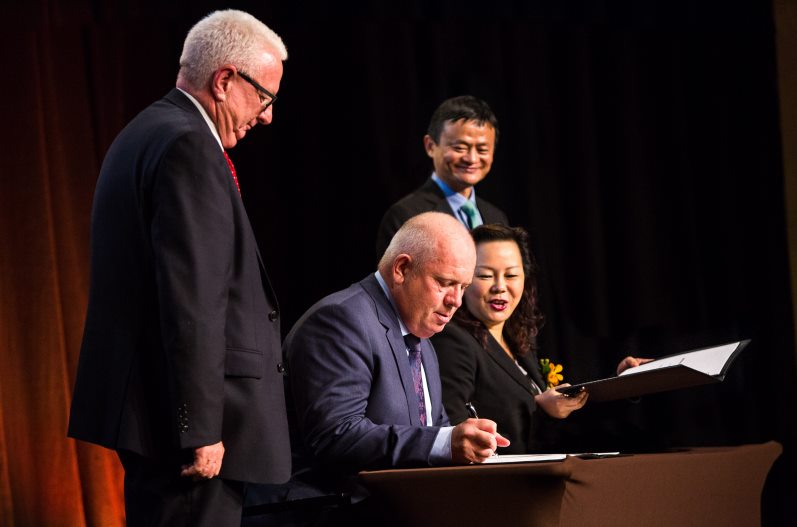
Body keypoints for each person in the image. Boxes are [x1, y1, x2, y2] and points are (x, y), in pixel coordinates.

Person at [67, 10, 290, 526]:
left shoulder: (146, 130)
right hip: (184, 428)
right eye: (265, 97)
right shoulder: (189, 145)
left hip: (152, 411)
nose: (267, 115)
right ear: (225, 80)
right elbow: (193, 300)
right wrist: (201, 428)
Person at [285, 212, 509, 509]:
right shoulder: (341, 320)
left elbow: (432, 430)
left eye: (463, 287)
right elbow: (336, 436)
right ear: (401, 269)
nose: (456, 300)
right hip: (337, 512)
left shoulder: (421, 340)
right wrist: (445, 443)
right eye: (444, 282)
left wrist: (467, 444)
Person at [432, 224, 648, 454]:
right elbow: (454, 431)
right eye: (485, 275)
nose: (500, 287)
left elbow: (564, 422)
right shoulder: (453, 340)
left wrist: (624, 382)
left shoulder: (518, 341)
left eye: (511, 275)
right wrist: (539, 408)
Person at [375, 95, 509, 260]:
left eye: (482, 150)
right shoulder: (406, 216)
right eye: (460, 148)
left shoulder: (496, 217)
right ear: (430, 146)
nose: (472, 159)